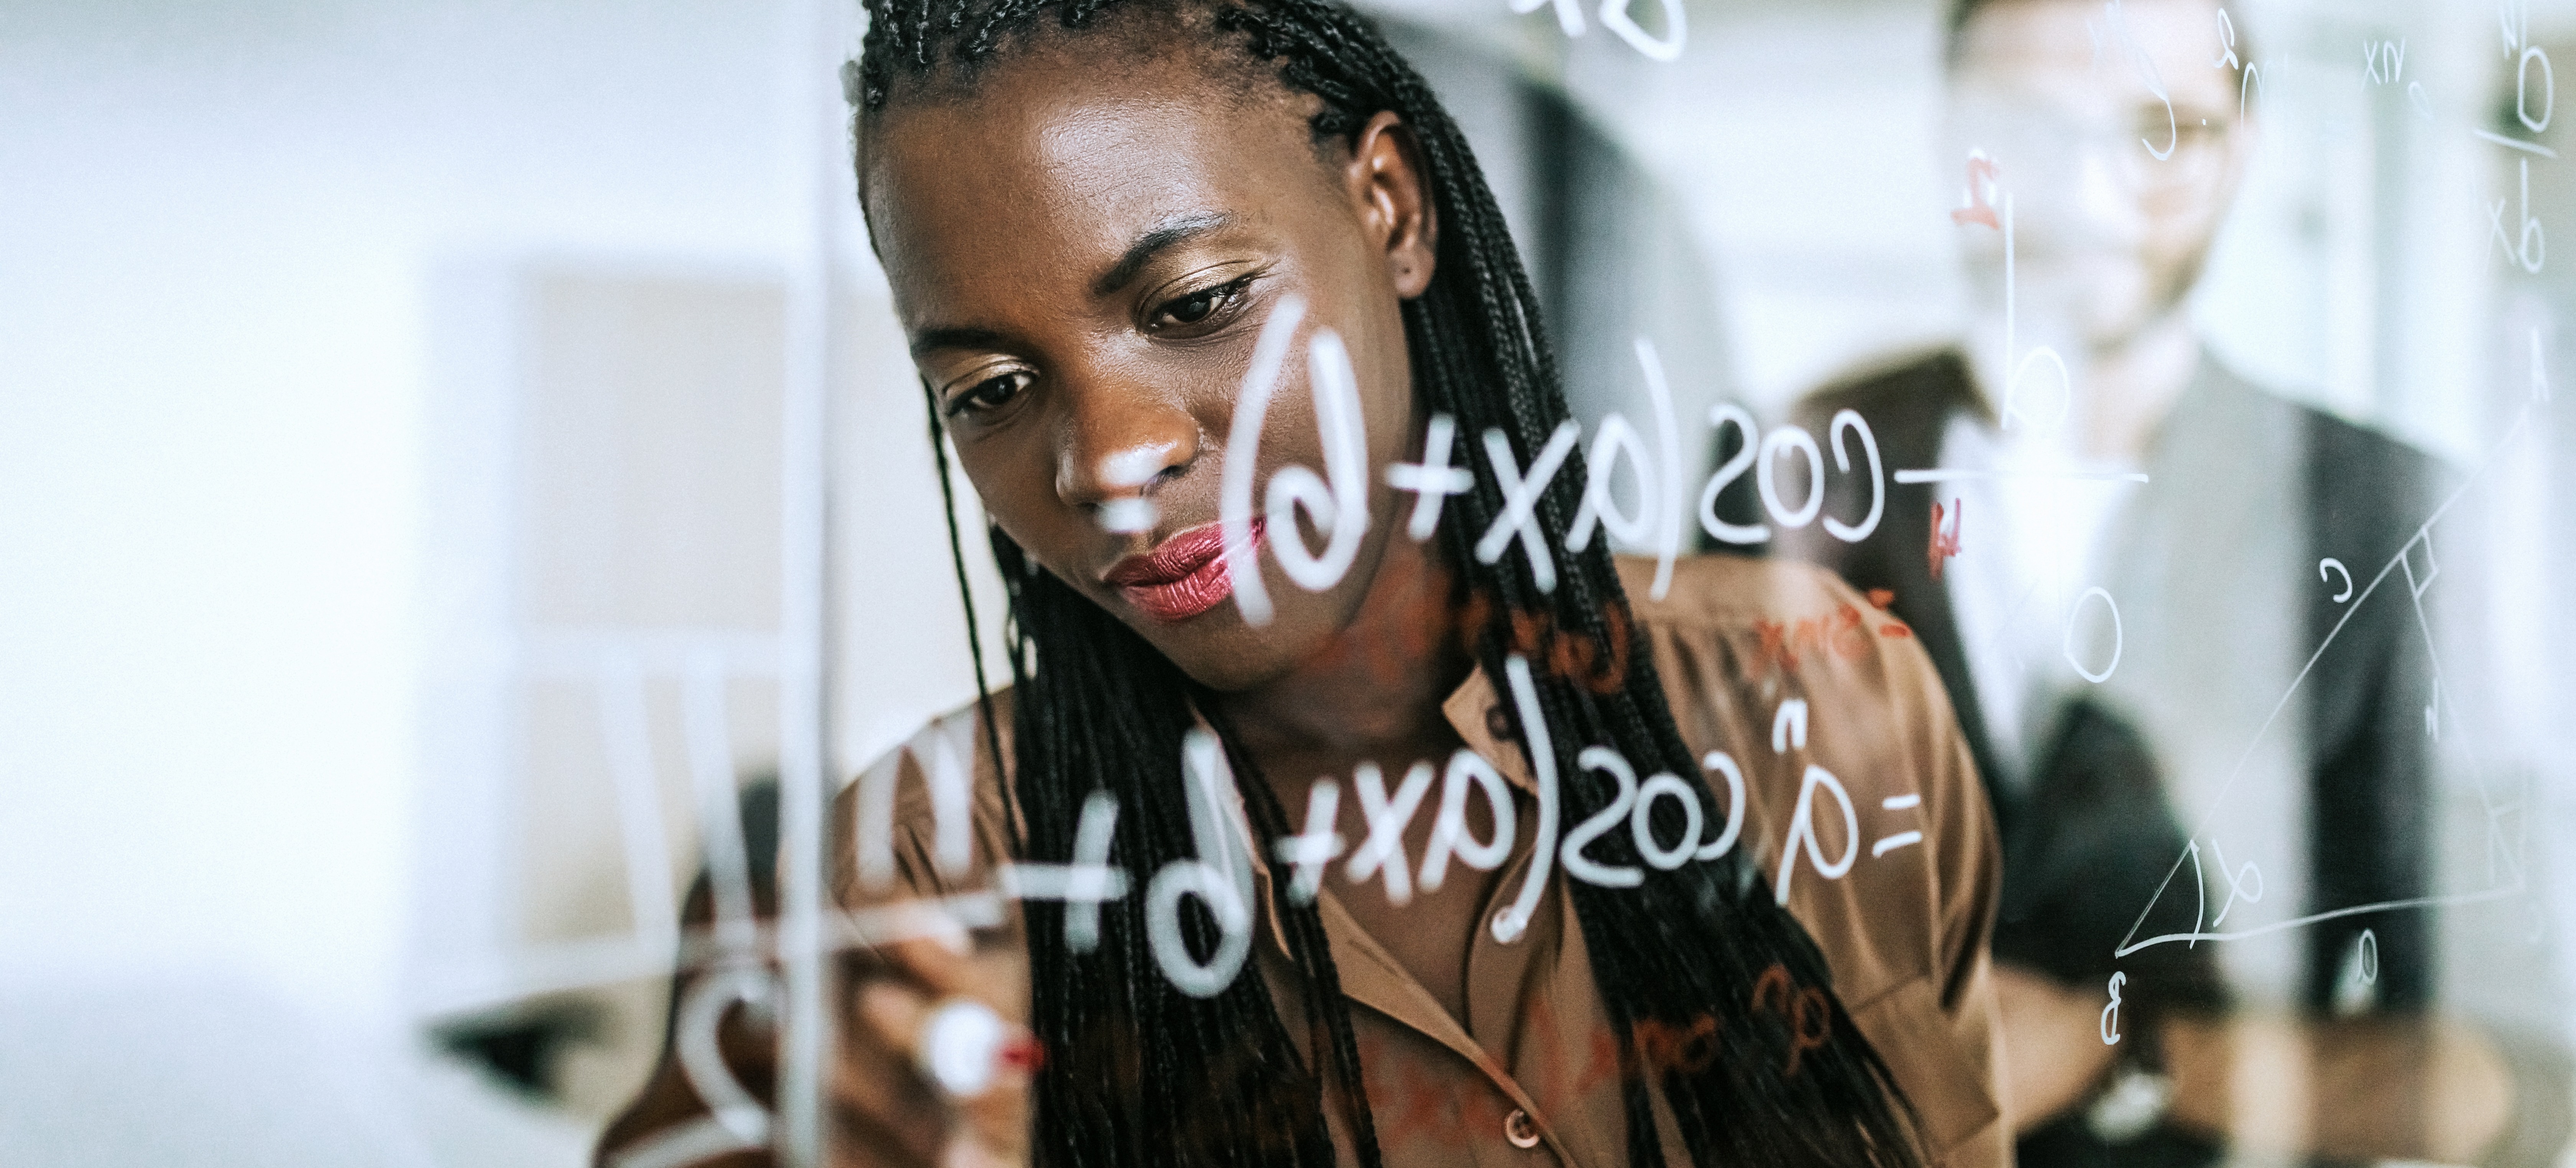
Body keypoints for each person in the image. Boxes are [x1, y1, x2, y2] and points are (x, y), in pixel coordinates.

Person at [597, 1, 2011, 1165]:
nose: (1110, 457)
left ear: (1390, 210)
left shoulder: (1822, 705)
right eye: (993, 389)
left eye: (1198, 305)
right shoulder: (926, 879)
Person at [1778, 1, 2571, 1166]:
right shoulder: (1805, 461)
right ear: (1956, 131)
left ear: (2239, 150)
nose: (2093, 191)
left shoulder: (2387, 514)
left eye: (2160, 131)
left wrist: (2125, 1054)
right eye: (2034, 126)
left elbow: (2523, 1074)